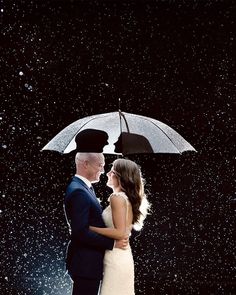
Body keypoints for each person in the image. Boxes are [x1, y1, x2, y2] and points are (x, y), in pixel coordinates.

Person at [64, 153, 128, 295]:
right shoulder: (79, 192)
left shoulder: (85, 188)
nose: (103, 170)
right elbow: (81, 233)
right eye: (100, 165)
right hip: (86, 264)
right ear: (86, 164)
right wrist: (112, 244)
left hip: (88, 263)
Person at [89, 158, 150, 295]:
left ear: (121, 176)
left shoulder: (116, 197)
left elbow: (120, 233)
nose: (108, 173)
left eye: (112, 171)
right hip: (124, 256)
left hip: (115, 257)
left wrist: (90, 228)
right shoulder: (126, 198)